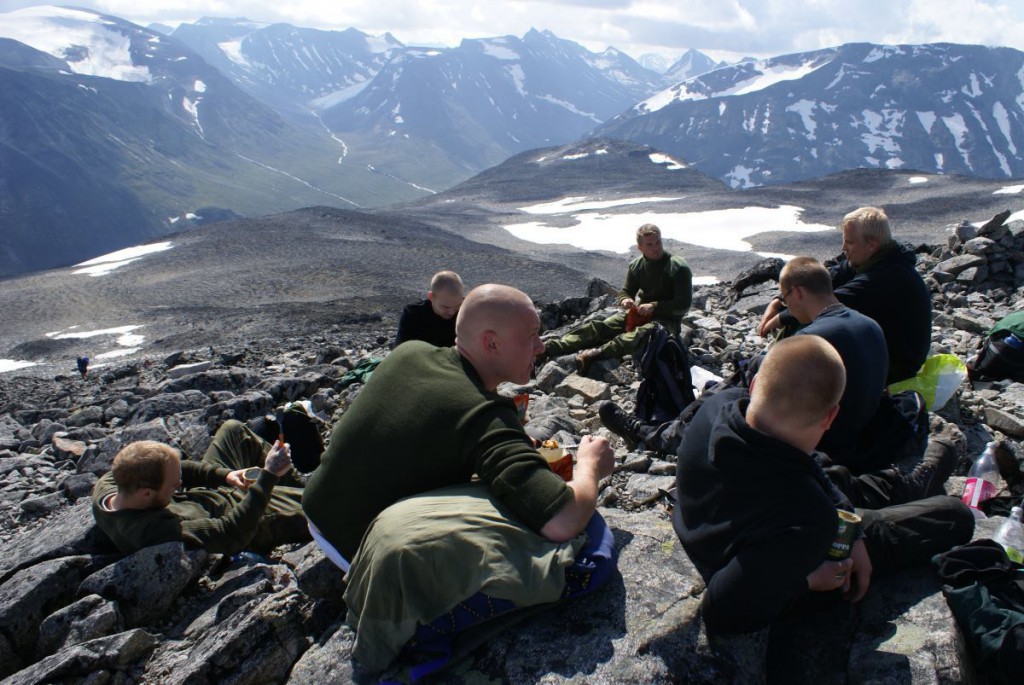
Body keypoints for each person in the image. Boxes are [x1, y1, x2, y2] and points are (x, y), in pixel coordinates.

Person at [302, 284, 617, 673]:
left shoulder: (410, 353)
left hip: (319, 506)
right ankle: (427, 633)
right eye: (531, 336)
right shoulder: (482, 413)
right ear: (491, 343)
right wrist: (589, 466)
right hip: (360, 551)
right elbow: (562, 520)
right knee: (592, 548)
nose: (540, 347)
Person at [672, 336, 974, 678]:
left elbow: (807, 464)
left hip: (738, 510)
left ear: (755, 384)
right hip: (783, 547)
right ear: (830, 417)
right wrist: (809, 581)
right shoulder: (809, 520)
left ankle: (903, 483)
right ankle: (917, 481)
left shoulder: (719, 405)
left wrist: (852, 529)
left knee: (837, 478)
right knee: (955, 515)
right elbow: (722, 610)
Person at [601, 257, 889, 471]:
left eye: (785, 298)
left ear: (798, 293)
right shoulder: (870, 325)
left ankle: (650, 434)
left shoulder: (809, 343)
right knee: (748, 371)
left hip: (815, 442)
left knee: (728, 398)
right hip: (860, 435)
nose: (787, 306)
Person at [759, 207, 931, 384]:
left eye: (850, 243)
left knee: (807, 321)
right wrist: (780, 301)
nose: (843, 248)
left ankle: (776, 378)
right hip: (881, 352)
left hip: (895, 368)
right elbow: (825, 278)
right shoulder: (874, 258)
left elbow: (828, 304)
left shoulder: (888, 276)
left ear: (871, 244)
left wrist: (782, 317)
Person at [91, 420, 310, 556]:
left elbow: (180, 470)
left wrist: (225, 475)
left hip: (212, 495)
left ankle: (294, 481)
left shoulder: (116, 482)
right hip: (242, 516)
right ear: (146, 493)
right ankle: (304, 487)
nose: (179, 485)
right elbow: (231, 532)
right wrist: (269, 475)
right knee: (321, 503)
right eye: (173, 485)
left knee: (234, 430)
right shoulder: (148, 531)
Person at [542, 224, 692, 372]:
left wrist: (654, 306)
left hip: (667, 319)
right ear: (640, 248)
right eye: (650, 244)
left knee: (642, 334)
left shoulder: (677, 267)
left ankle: (595, 355)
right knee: (599, 326)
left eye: (658, 242)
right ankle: (548, 348)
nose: (656, 247)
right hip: (639, 314)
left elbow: (683, 304)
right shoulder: (637, 266)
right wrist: (625, 300)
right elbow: (626, 292)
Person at [394, 270, 465, 348]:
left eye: (458, 305)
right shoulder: (413, 314)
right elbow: (400, 350)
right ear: (431, 297)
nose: (451, 312)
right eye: (446, 307)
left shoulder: (467, 312)